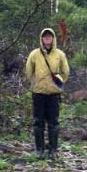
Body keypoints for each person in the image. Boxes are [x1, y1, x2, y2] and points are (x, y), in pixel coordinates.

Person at [25, 28, 70, 160]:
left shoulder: (60, 54)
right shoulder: (34, 54)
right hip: (38, 93)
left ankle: (53, 150)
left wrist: (59, 83)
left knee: (53, 123)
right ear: (41, 39)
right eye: (45, 37)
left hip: (54, 95)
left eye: (49, 37)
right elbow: (28, 71)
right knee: (38, 123)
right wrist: (35, 83)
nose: (47, 39)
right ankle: (39, 150)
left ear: (53, 38)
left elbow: (66, 71)